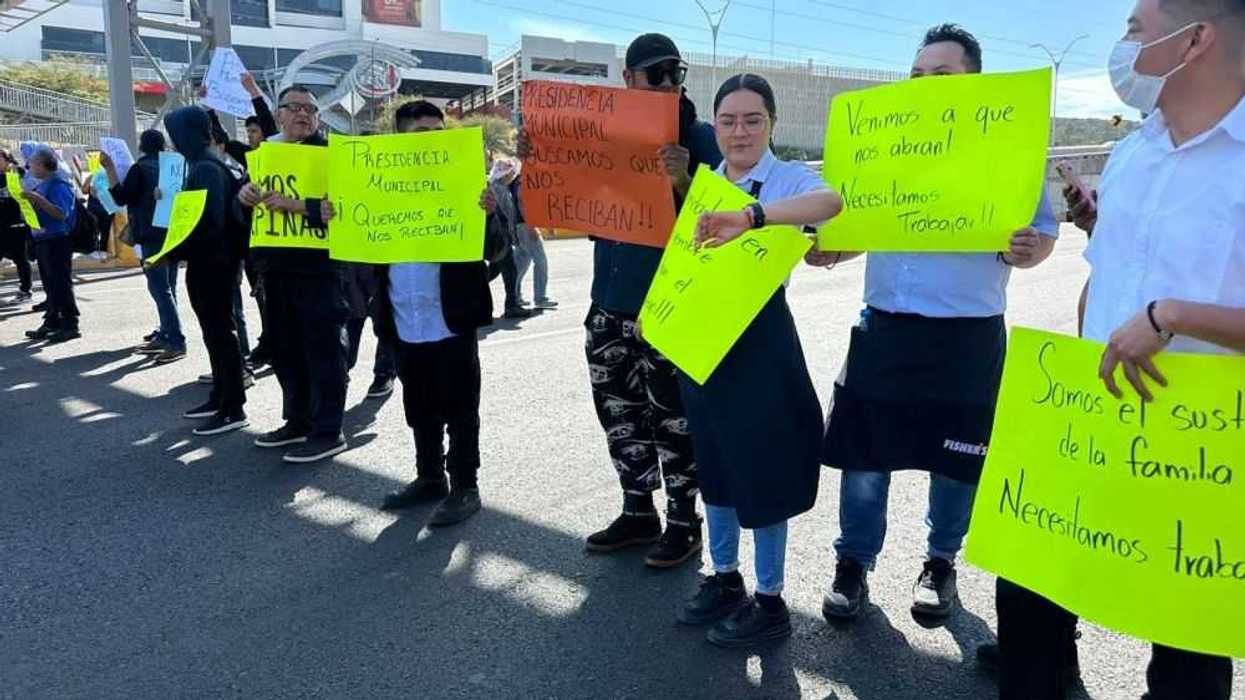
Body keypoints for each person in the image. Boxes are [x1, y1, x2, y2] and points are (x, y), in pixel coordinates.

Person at [994, 1, 1243, 698]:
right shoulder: (1135, 149)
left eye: (1136, 28)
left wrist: (1170, 317)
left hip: (1198, 452)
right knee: (1027, 595)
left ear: (1194, 40)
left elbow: (1162, 300)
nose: (1122, 46)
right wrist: (1097, 233)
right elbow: (1112, 274)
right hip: (1091, 423)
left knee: (1186, 650)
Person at [816, 24, 1061, 623]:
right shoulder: (881, 148)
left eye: (942, 75)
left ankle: (940, 563)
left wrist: (1029, 249)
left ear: (973, 84)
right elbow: (857, 231)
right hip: (884, 327)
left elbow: (1041, 236)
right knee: (865, 458)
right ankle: (853, 565)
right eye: (918, 74)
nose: (926, 84)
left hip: (966, 337)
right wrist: (833, 250)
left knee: (957, 460)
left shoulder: (1008, 155)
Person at [518, 33, 721, 568]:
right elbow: (553, 202)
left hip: (667, 309)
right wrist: (538, 159)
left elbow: (726, 220)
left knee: (673, 421)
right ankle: (638, 510)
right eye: (652, 74)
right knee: (620, 415)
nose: (665, 83)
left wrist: (683, 179)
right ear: (627, 80)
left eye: (674, 73)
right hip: (608, 302)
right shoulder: (602, 134)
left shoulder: (698, 137)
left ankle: (684, 520)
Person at [675, 74, 842, 648]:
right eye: (728, 120)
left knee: (764, 476)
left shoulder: (789, 179)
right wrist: (659, 313)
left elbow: (831, 203)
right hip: (703, 350)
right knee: (716, 472)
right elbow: (683, 266)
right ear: (714, 125)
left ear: (771, 124)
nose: (739, 131)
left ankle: (770, 602)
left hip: (762, 349)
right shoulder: (706, 183)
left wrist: (753, 216)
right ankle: (724, 579)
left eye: (752, 120)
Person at [373, 100, 497, 525]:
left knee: (461, 409)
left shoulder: (466, 186)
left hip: (451, 318)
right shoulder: (377, 187)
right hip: (403, 318)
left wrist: (490, 214)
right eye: (422, 134)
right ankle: (429, 477)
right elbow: (356, 240)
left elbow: (495, 250)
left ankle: (465, 486)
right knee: (419, 406)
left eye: (439, 133)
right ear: (400, 141)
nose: (434, 144)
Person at [240, 85, 352, 464]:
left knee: (323, 352)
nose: (304, 114)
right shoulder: (266, 154)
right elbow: (248, 205)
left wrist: (295, 205)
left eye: (311, 109)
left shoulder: (332, 154)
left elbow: (346, 208)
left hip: (319, 270)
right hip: (274, 270)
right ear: (280, 114)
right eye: (295, 107)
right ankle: (298, 421)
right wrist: (244, 197)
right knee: (286, 351)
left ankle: (328, 430)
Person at [163, 106, 249, 436]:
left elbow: (210, 223)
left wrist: (175, 250)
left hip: (214, 263)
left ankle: (233, 406)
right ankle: (220, 396)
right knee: (215, 333)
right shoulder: (205, 164)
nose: (173, 140)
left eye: (175, 133)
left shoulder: (206, 168)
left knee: (219, 333)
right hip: (210, 262)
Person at [102, 129, 186, 364]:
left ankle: (176, 340)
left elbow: (120, 197)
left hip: (150, 234)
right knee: (168, 287)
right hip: (172, 233)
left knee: (160, 289)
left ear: (142, 146)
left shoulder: (140, 168)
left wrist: (110, 169)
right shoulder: (173, 166)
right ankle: (167, 333)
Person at [21, 147, 80, 343]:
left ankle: (70, 324)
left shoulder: (59, 185)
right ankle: (52, 320)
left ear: (42, 165)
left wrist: (38, 200)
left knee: (60, 283)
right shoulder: (44, 184)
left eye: (33, 162)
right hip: (43, 239)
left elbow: (61, 213)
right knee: (50, 284)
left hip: (57, 240)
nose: (29, 166)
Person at [505, 161, 557, 309]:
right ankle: (540, 298)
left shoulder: (519, 180)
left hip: (519, 226)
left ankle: (514, 296)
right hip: (525, 226)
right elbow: (523, 203)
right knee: (541, 262)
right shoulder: (524, 180)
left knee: (520, 263)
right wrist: (531, 227)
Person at [0, 150, 33, 302]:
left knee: (20, 259)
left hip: (17, 224)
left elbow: (25, 193)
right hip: (1, 225)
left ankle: (25, 290)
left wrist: (13, 173)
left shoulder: (17, 173)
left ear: (7, 160)